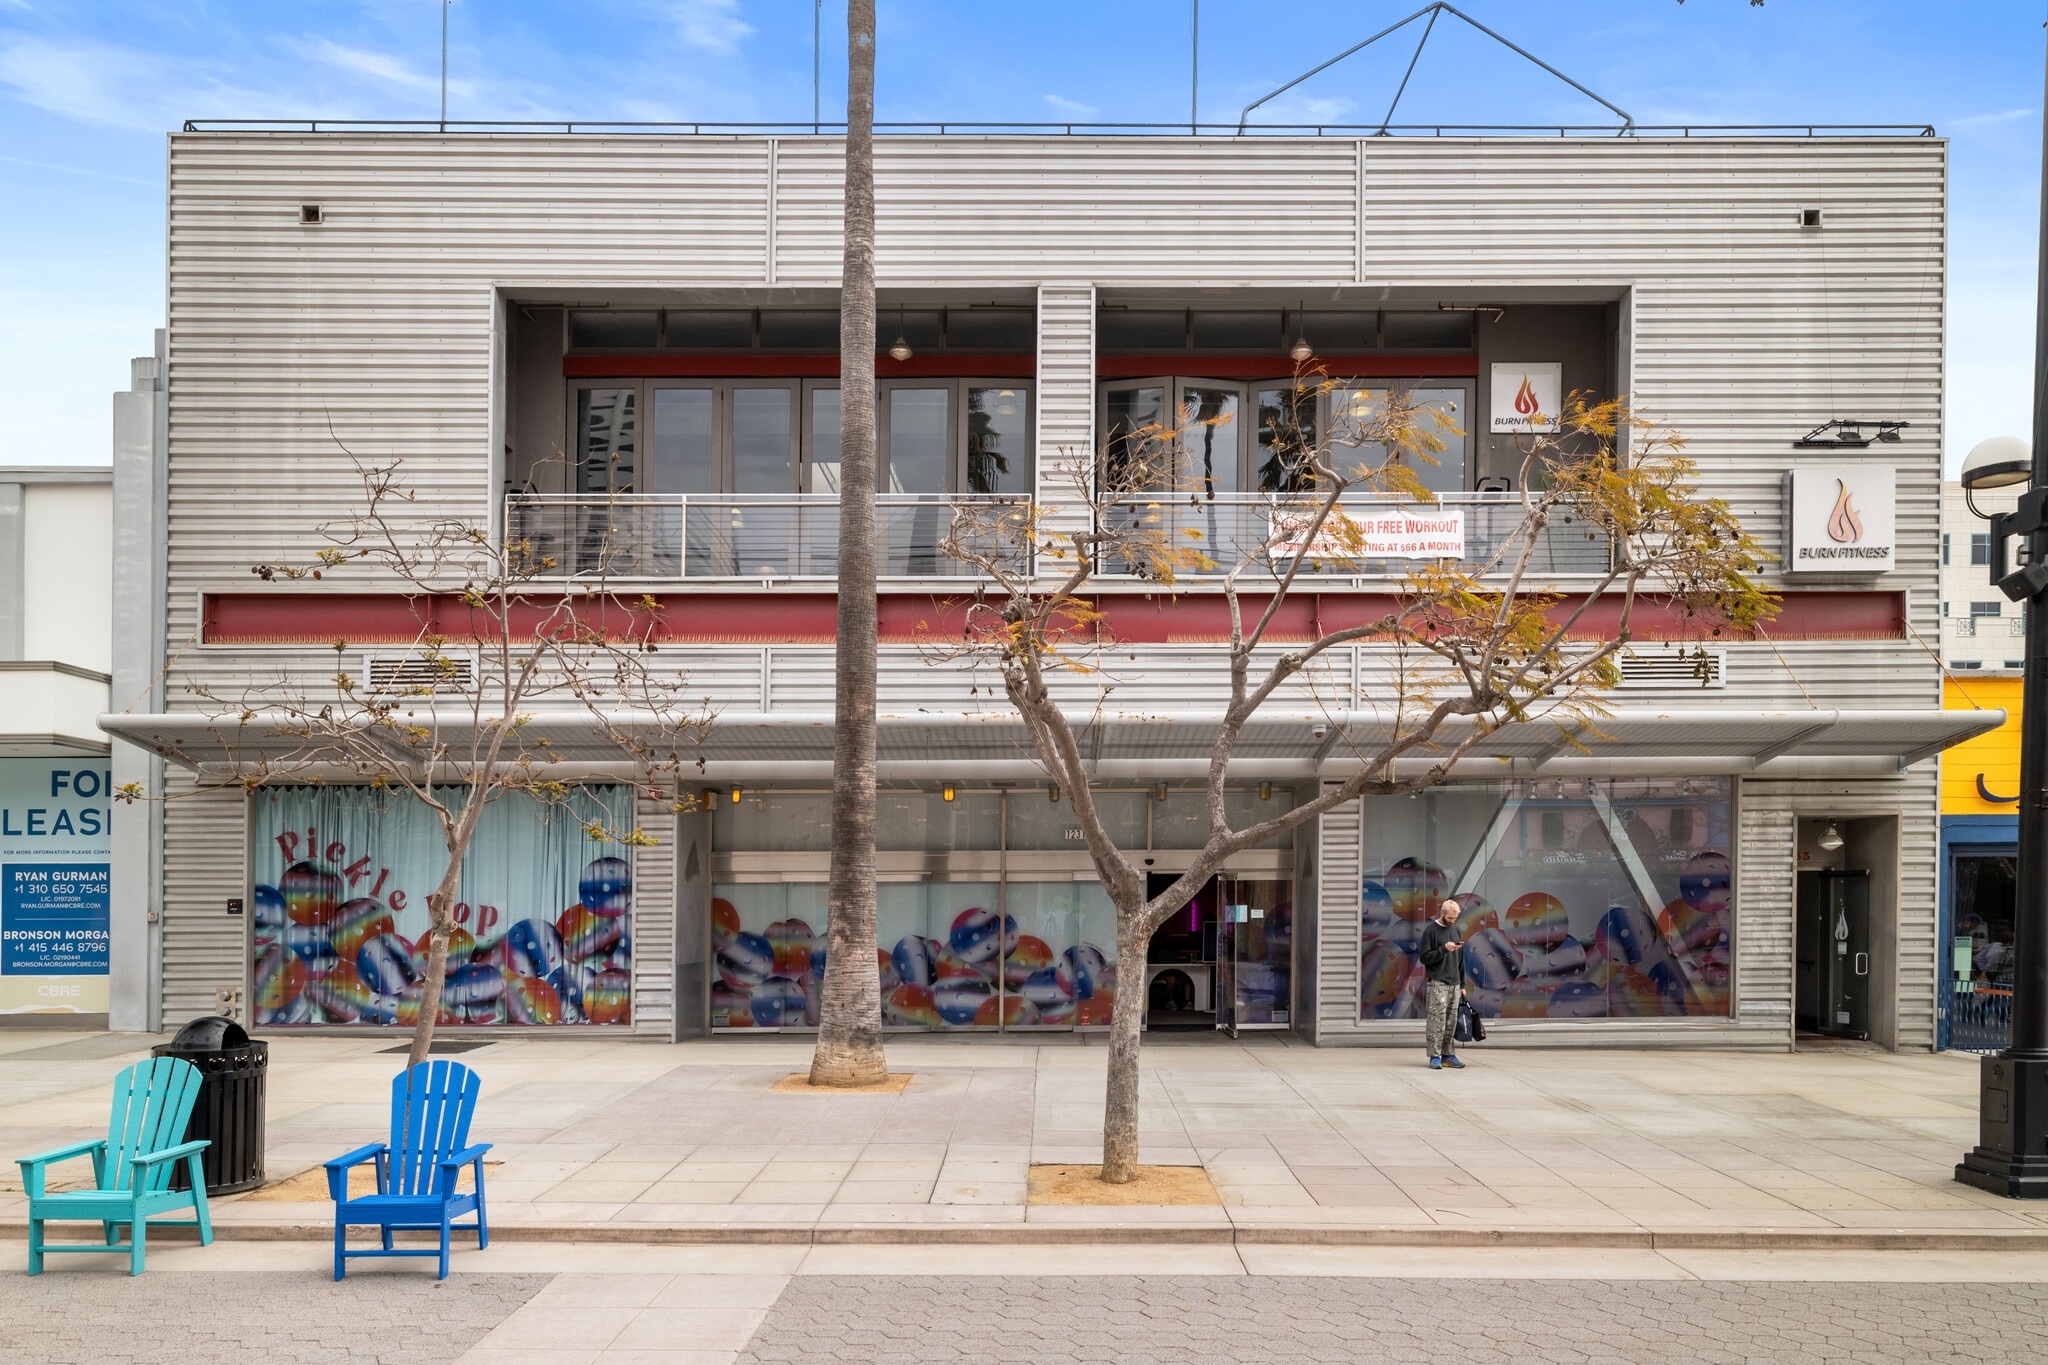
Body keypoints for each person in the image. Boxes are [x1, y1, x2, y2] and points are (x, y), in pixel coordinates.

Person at [1417, 896, 1466, 1070]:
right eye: (1450, 917)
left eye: (1455, 917)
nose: (1453, 920)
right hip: (1437, 981)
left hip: (1454, 982)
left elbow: (1461, 960)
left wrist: (1462, 985)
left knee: (1451, 1021)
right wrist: (1444, 949)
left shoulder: (1456, 930)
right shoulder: (1431, 931)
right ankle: (1434, 1056)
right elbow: (1424, 958)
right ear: (1442, 913)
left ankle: (1448, 1054)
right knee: (1436, 1021)